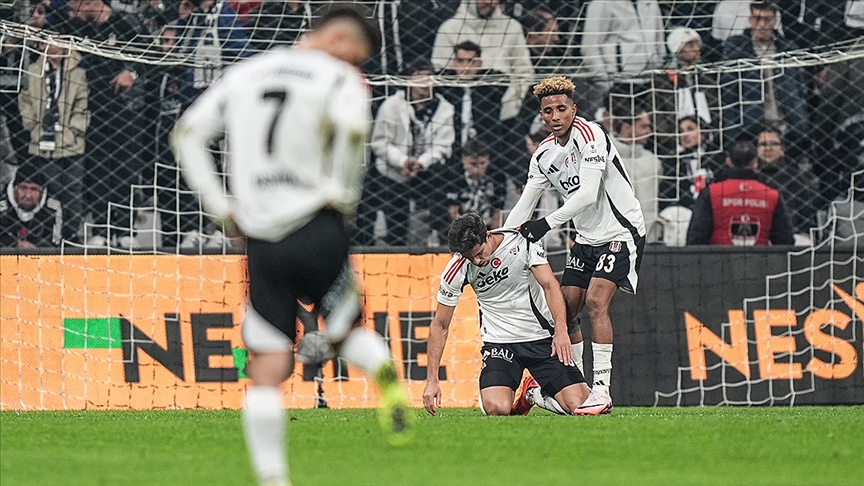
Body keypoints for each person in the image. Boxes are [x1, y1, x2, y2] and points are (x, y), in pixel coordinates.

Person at [170, 7, 411, 486]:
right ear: (340, 38)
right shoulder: (339, 79)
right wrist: (343, 194)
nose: (355, 65)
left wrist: (222, 208)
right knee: (342, 331)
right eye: (356, 56)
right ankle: (383, 371)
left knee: (268, 364)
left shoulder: (246, 71)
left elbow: (188, 134)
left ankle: (272, 478)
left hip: (260, 238)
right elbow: (356, 130)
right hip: (317, 225)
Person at [503, 76, 646, 414]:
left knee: (597, 302)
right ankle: (571, 383)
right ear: (542, 115)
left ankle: (601, 390)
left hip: (620, 233)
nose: (556, 116)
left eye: (562, 109)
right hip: (585, 240)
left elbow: (586, 193)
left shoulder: (590, 134)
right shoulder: (542, 155)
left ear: (574, 109)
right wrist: (503, 240)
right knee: (564, 313)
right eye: (548, 111)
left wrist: (544, 225)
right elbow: (525, 204)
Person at [422, 212, 592, 417]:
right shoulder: (458, 267)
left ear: (487, 236)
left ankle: (533, 395)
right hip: (500, 345)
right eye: (470, 257)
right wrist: (432, 381)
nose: (476, 261)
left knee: (580, 405)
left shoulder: (521, 242)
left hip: (541, 338)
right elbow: (440, 324)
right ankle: (493, 392)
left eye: (479, 253)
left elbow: (550, 286)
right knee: (497, 408)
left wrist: (561, 330)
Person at [367, 57, 455, 246]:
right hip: (394, 171)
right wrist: (402, 161)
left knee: (440, 191)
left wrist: (421, 162)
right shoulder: (391, 106)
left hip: (428, 172)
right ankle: (395, 249)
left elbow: (443, 146)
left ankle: (441, 245)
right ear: (408, 79)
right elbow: (380, 143)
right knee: (396, 219)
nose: (425, 82)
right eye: (419, 76)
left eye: (429, 77)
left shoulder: (445, 109)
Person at [17, 37, 89, 243]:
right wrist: (33, 128)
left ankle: (72, 235)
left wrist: (73, 131)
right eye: (49, 42)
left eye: (59, 42)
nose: (54, 46)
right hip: (42, 140)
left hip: (71, 142)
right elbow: (25, 101)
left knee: (73, 190)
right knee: (51, 188)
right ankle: (51, 235)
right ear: (42, 46)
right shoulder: (33, 70)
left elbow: (82, 105)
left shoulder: (78, 73)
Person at [721, 1, 810, 155]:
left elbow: (800, 89)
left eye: (767, 20)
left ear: (775, 21)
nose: (762, 24)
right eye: (757, 19)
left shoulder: (788, 48)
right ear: (750, 20)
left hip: (787, 126)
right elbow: (728, 94)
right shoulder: (737, 48)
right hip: (750, 127)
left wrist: (801, 123)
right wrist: (734, 134)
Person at [431, 0, 534, 120]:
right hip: (457, 107)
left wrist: (513, 102)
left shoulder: (511, 27)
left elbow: (524, 71)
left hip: (504, 109)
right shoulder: (449, 28)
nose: (489, 2)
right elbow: (440, 70)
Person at [686, 139, 795, 246]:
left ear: (729, 161)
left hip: (719, 260)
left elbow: (696, 237)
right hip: (760, 260)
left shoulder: (712, 192)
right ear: (755, 164)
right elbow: (785, 239)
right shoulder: (771, 194)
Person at [432, 137, 507, 239]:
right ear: (464, 159)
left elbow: (498, 209)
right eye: (473, 164)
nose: (478, 169)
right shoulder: (452, 176)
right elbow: (451, 211)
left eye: (482, 163)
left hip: (488, 225)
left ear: (488, 159)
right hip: (459, 229)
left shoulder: (497, 175)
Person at [610, 100, 662, 243]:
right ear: (626, 128)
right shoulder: (604, 157)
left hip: (649, 242)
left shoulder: (654, 161)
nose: (649, 132)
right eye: (644, 126)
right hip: (612, 241)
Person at [755, 127, 818, 241]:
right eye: (763, 144)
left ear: (782, 149)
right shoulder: (751, 177)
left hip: (792, 235)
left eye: (773, 144)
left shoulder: (796, 178)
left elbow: (806, 216)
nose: (768, 148)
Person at [0, 163, 62, 248]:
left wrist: (34, 247)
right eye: (23, 188)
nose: (28, 195)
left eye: (34, 189)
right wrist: (15, 244)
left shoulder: (52, 207)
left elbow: (55, 242)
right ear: (15, 189)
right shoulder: (2, 205)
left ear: (42, 191)